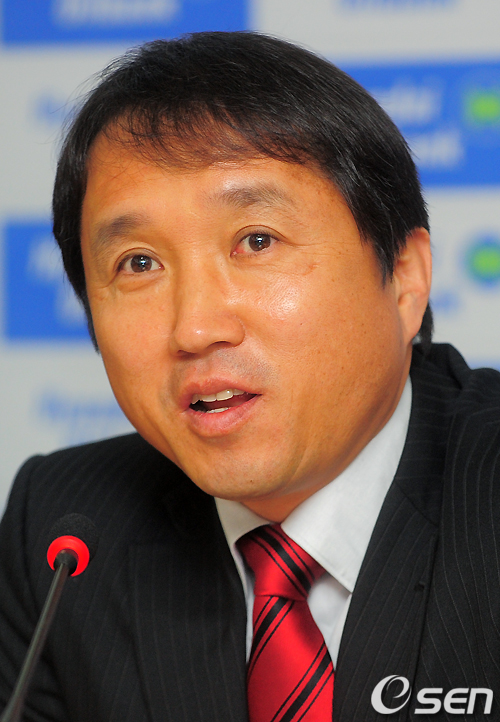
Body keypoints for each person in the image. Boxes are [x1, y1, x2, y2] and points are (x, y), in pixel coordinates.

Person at [0, 31, 499, 722]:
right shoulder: (63, 535)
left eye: (256, 242)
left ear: (405, 277)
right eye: (139, 263)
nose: (195, 328)